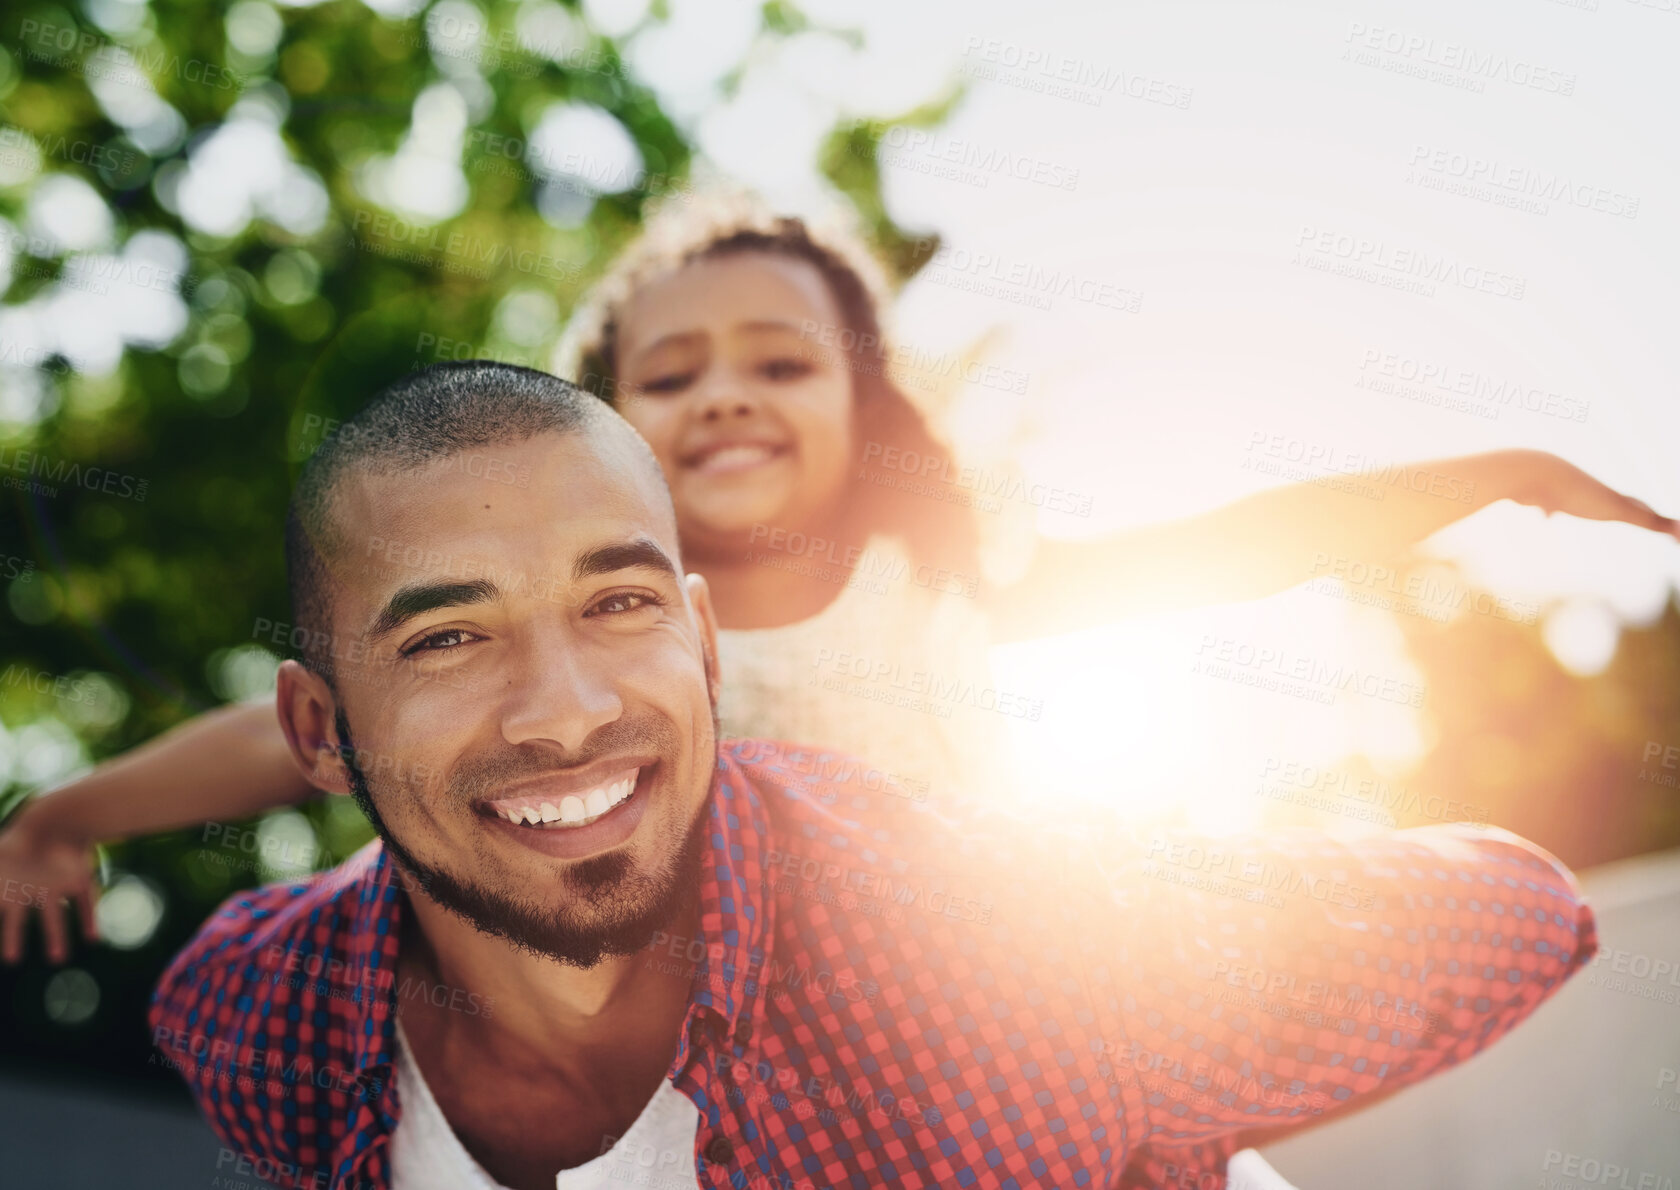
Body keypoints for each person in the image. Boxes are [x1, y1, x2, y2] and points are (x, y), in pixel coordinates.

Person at [3, 192, 1671, 968]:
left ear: (865, 409)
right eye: (670, 375)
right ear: (604, 437)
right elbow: (309, 727)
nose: (724, 392)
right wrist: (74, 808)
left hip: (983, 1004)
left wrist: (1491, 476)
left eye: (779, 363)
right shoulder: (590, 641)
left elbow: (1231, 544)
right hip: (720, 1045)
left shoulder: (939, 583)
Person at [144, 362, 1596, 1190]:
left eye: (622, 602)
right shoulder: (250, 1013)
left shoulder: (1006, 950)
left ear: (707, 643)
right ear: (319, 728)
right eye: (452, 633)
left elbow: (1515, 909)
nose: (563, 709)